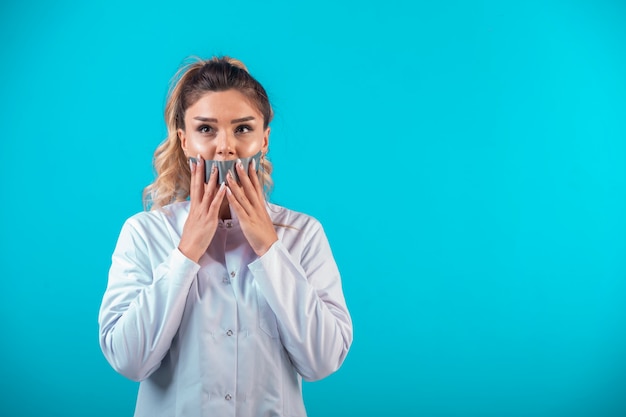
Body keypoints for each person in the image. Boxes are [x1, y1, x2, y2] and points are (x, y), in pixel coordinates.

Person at [97, 55, 353, 417]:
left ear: (264, 139)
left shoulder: (304, 235)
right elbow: (128, 360)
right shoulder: (144, 233)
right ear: (184, 141)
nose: (225, 147)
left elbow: (323, 361)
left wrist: (269, 248)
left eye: (243, 129)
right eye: (206, 129)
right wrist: (186, 252)